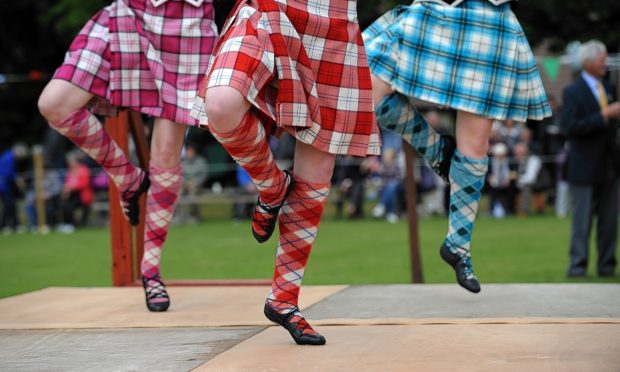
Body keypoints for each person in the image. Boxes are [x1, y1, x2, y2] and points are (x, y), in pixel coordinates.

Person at [191, 0, 379, 345]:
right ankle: (272, 186)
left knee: (318, 167)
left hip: (332, 21)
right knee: (221, 103)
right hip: (269, 8)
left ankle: (284, 299)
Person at [37, 0, 218, 311]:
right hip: (129, 13)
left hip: (187, 23)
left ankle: (151, 271)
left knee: (165, 153)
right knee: (54, 103)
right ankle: (128, 177)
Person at [363, 0, 551, 292]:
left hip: (487, 16)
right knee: (366, 91)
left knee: (474, 145)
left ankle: (458, 246)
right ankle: (438, 151)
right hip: (434, 9)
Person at [560, 40, 620, 278]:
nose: (605, 64)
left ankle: (607, 266)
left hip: (609, 165)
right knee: (582, 221)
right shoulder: (572, 92)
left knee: (609, 221)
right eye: (601, 60)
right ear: (588, 63)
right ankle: (578, 267)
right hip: (583, 166)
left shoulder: (608, 87)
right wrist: (603, 115)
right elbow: (570, 127)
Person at [59, 152, 94, 233]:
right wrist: (66, 189)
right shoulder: (70, 171)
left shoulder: (83, 170)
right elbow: (67, 182)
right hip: (71, 195)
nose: (70, 163)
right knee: (63, 205)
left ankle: (71, 224)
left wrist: (71, 187)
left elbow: (84, 183)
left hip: (82, 195)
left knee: (69, 206)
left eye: (71, 162)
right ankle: (66, 223)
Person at [0, 143, 28, 234]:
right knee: (9, 206)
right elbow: (8, 173)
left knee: (11, 205)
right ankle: (6, 226)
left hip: (6, 186)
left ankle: (14, 225)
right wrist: (18, 180)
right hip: (4, 186)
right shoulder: (9, 158)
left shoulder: (8, 156)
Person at [181, 142, 209, 222]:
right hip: (184, 185)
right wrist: (185, 183)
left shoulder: (200, 161)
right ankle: (181, 215)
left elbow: (203, 175)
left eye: (191, 151)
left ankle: (194, 215)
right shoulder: (182, 162)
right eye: (188, 151)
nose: (189, 153)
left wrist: (195, 182)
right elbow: (180, 175)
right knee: (178, 192)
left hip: (197, 185)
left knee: (192, 193)